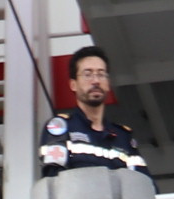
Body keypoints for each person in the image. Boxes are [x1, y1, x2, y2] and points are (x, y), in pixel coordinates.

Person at [40, 45, 148, 177]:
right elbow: (54, 181)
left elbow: (145, 184)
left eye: (101, 74)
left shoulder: (123, 137)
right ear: (73, 84)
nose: (96, 81)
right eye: (87, 74)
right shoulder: (60, 127)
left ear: (108, 84)